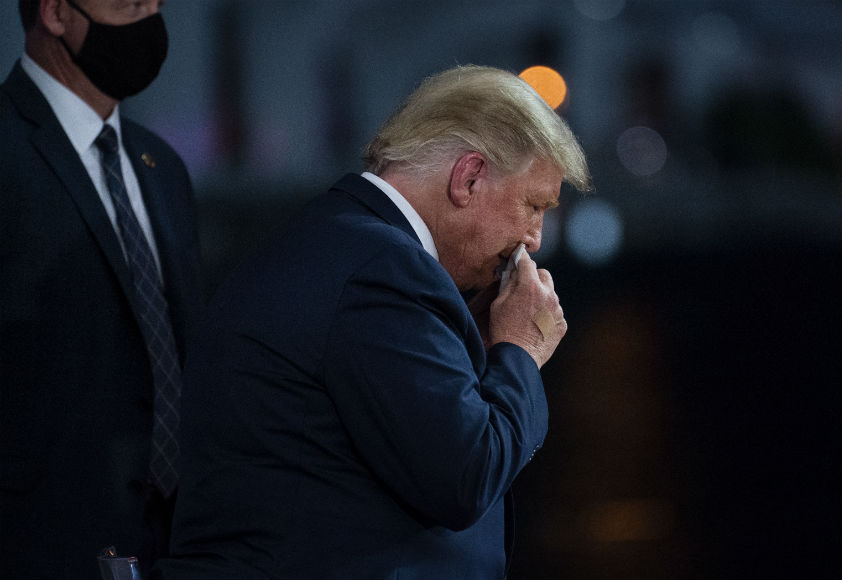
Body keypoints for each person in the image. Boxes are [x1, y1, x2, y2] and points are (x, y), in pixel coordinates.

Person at [155, 64, 590, 579]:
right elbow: (465, 476)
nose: (535, 238)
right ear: (469, 177)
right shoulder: (382, 272)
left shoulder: (345, 242)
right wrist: (520, 349)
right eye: (533, 205)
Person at [0, 0, 203, 578]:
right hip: (38, 541)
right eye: (128, 3)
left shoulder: (162, 165)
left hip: (170, 541)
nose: (150, 16)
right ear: (57, 12)